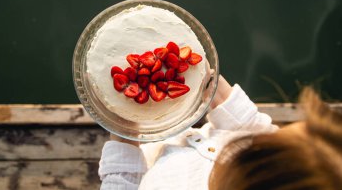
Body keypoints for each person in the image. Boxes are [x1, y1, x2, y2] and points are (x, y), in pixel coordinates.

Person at [98, 75, 342, 189]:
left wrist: (123, 131)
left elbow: (120, 186)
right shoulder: (270, 155)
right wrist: (218, 92)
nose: (271, 134)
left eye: (273, 141)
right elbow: (254, 127)